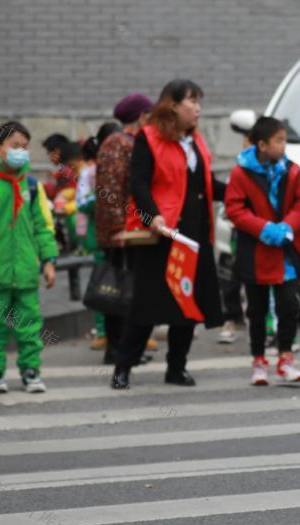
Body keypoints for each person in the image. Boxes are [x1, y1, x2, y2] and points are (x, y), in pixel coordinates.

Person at [110, 80, 226, 389]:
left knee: (188, 303)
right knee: (148, 305)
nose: (198, 109)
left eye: (199, 102)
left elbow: (207, 184)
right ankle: (123, 367)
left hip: (194, 233)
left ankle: (177, 367)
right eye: (192, 102)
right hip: (162, 233)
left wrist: (242, 193)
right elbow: (139, 185)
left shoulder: (197, 141)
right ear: (173, 105)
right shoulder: (149, 138)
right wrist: (153, 217)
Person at [0, 121, 58, 395]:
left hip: (26, 270)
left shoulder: (32, 185)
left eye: (25, 147)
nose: (21, 152)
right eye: (15, 146)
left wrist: (49, 260)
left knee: (29, 324)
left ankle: (31, 371)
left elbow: (44, 226)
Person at [225, 117, 300, 385]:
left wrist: (288, 226)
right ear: (262, 145)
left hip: (285, 252)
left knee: (289, 304)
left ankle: (286, 358)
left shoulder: (292, 171)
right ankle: (259, 361)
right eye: (278, 141)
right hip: (254, 252)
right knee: (256, 309)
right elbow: (235, 209)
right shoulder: (241, 173)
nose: (283, 146)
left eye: (283, 140)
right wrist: (263, 228)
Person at [95, 92, 156, 365]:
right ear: (141, 116)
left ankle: (126, 349)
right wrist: (119, 228)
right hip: (121, 233)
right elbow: (109, 189)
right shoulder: (116, 143)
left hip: (133, 230)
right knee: (117, 291)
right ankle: (116, 350)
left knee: (130, 291)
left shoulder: (131, 142)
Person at [79, 123, 120, 351]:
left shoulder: (125, 167)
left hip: (125, 239)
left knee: (128, 285)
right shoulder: (89, 173)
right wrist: (100, 199)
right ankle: (103, 331)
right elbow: (81, 203)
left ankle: (133, 334)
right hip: (100, 240)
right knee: (103, 286)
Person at [218, 119, 253, 345]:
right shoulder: (239, 169)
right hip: (238, 232)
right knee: (230, 275)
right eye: (245, 141)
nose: (246, 145)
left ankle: (268, 328)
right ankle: (232, 318)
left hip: (260, 233)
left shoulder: (276, 169)